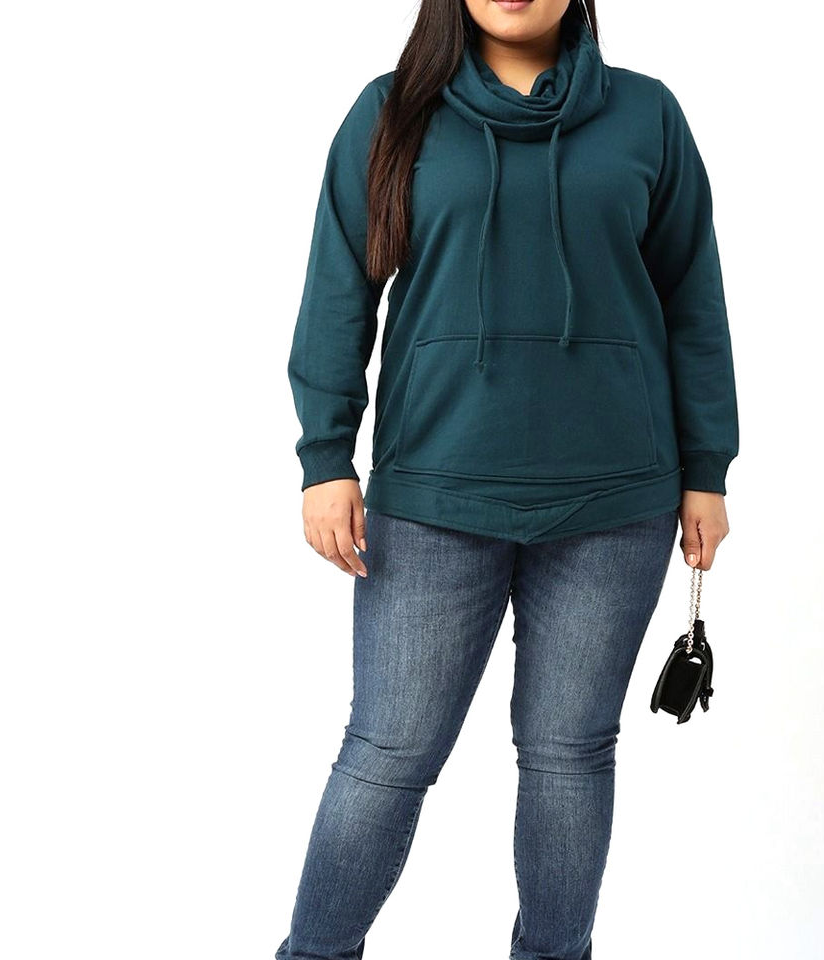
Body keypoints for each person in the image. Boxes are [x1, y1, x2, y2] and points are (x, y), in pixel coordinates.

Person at [276, 0, 739, 957]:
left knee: (570, 758)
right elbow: (338, 287)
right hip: (432, 495)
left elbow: (693, 297)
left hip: (616, 499)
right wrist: (325, 457)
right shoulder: (390, 112)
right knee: (388, 753)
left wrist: (707, 469)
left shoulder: (648, 114)